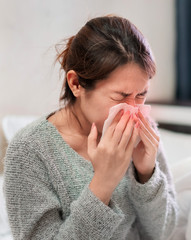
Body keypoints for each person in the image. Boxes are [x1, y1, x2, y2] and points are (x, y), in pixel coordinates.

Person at [4, 15, 178, 240]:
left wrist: (146, 175)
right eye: (121, 96)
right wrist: (103, 183)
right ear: (76, 84)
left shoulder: (144, 132)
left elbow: (164, 233)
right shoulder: (29, 150)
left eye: (141, 94)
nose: (134, 109)